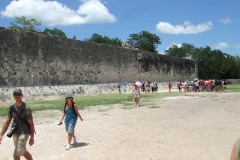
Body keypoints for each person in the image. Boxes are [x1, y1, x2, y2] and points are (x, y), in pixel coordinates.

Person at [0, 88, 35, 160]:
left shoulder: (27, 108)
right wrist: (1, 134)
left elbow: (31, 124)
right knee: (22, 151)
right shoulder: (11, 108)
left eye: (19, 94)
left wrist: (32, 137)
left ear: (22, 95)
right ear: (13, 96)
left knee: (16, 153)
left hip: (24, 132)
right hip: (15, 132)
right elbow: (7, 122)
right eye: (15, 94)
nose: (17, 96)